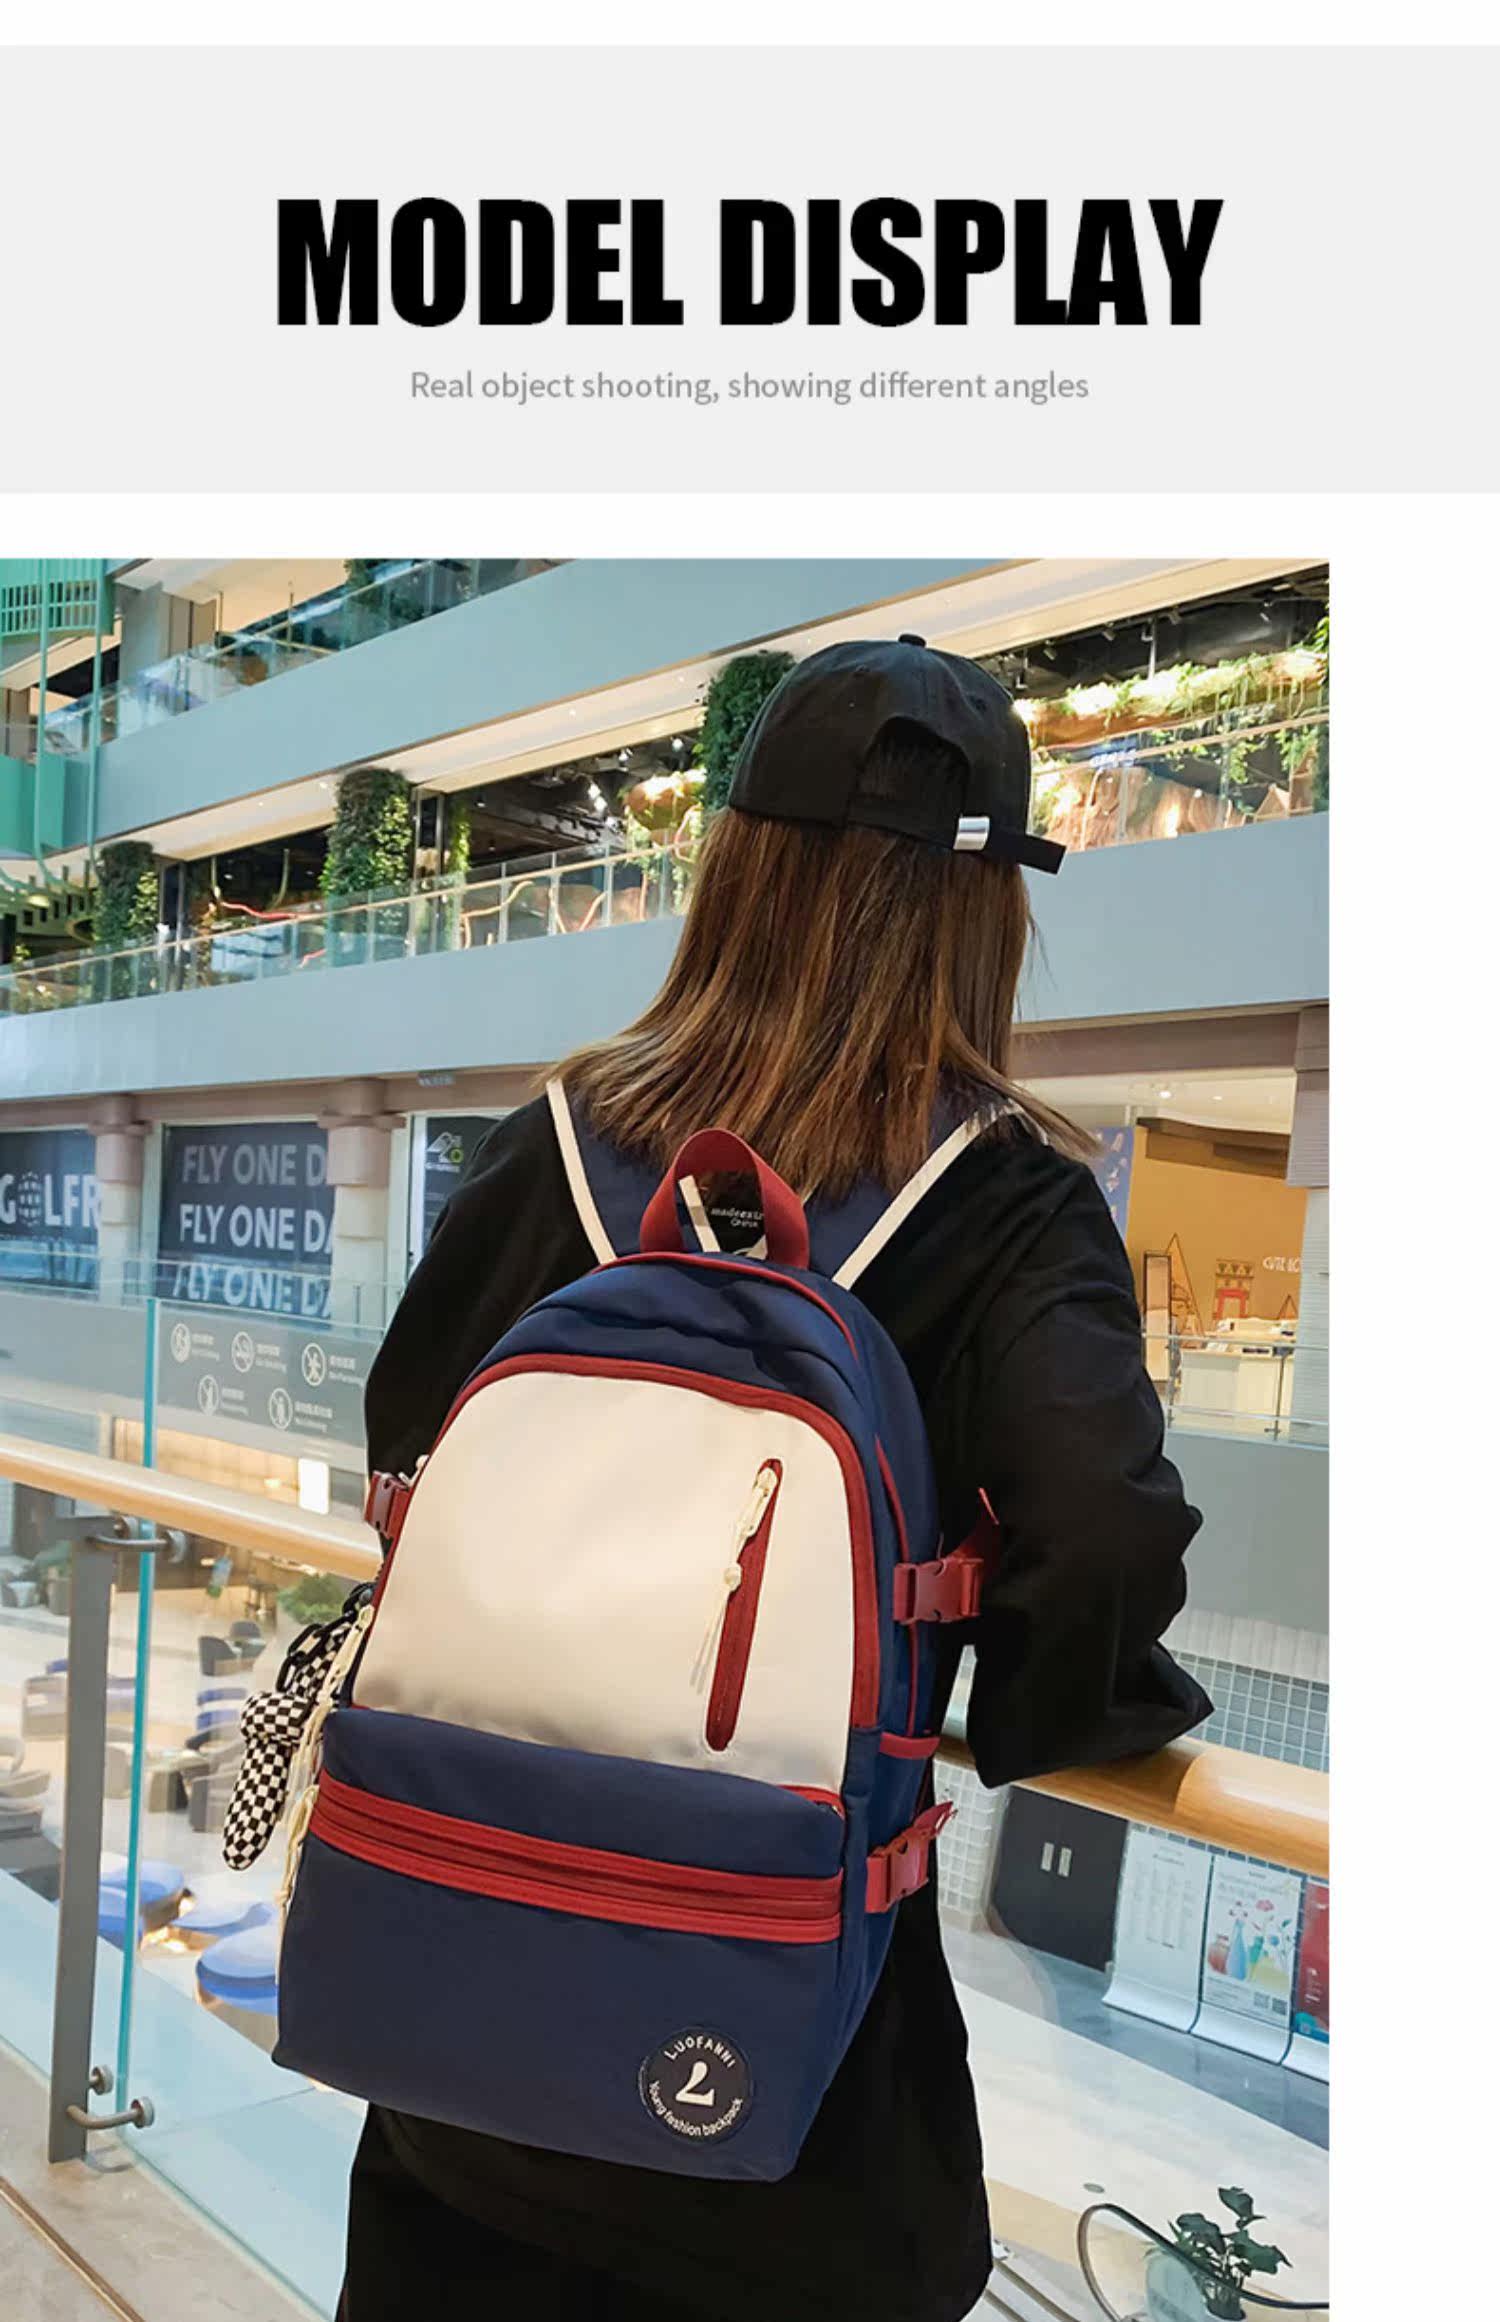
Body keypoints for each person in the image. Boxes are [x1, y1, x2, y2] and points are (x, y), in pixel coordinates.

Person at [345, 637, 1211, 2322]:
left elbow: (405, 1447)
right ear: (987, 911)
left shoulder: (556, 1136)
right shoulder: (1009, 1201)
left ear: (736, 865)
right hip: (782, 2110)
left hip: (458, 2047)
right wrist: (1044, 1699)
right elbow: (1099, 1532)